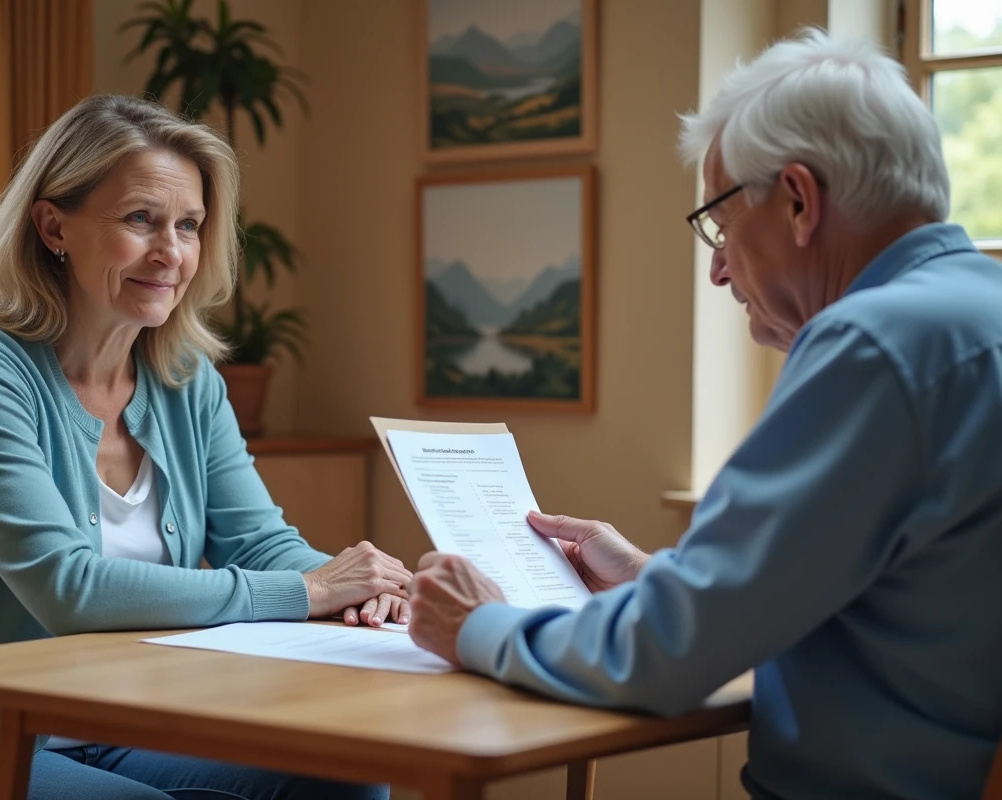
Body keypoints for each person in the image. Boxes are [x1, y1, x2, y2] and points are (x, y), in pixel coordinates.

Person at [406, 29, 1002, 800]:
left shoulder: (874, 344)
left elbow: (664, 658)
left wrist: (476, 625)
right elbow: (897, 599)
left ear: (798, 199)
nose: (718, 267)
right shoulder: (972, 318)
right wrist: (660, 580)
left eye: (721, 225)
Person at [0, 94, 405, 800]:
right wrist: (310, 592)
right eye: (141, 219)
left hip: (128, 727)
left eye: (189, 225)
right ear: (53, 226)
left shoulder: (186, 381)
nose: (171, 252)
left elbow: (261, 545)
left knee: (347, 783)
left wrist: (369, 590)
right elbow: (69, 589)